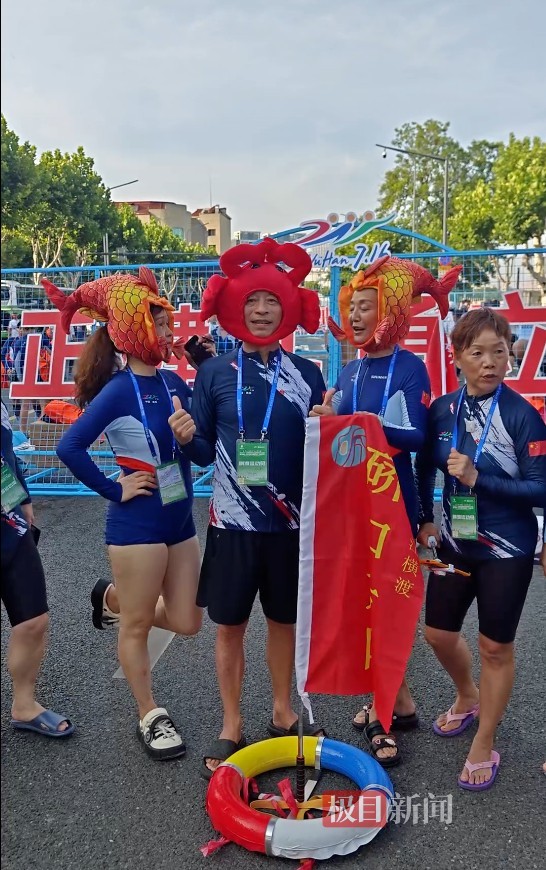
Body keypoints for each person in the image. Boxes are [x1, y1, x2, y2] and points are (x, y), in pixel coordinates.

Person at [168, 237, 326, 778]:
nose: (261, 311)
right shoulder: (215, 373)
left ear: (288, 309)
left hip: (290, 525)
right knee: (229, 626)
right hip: (231, 524)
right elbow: (200, 449)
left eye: (272, 302)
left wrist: (330, 426)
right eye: (252, 301)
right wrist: (185, 436)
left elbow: (323, 452)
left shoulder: (307, 374)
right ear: (237, 307)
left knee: (284, 622)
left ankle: (283, 711)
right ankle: (231, 722)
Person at [45, 266, 209, 761]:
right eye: (159, 324)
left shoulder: (175, 381)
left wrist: (190, 437)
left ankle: (114, 599)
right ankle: (149, 712)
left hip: (179, 517)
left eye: (168, 323)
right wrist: (114, 489)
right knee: (137, 626)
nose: (168, 332)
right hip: (136, 523)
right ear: (135, 329)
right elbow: (70, 447)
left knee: (187, 621)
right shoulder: (117, 390)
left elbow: (201, 453)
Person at [311, 255, 461, 767]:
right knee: (361, 604)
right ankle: (400, 701)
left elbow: (416, 438)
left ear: (391, 313)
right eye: (351, 307)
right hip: (352, 508)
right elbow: (343, 443)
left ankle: (384, 710)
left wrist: (356, 420)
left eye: (366, 307)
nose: (355, 316)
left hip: (394, 504)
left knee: (391, 605)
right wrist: (327, 419)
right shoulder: (350, 369)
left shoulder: (410, 367)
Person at [415, 307, 546, 791]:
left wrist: (477, 478)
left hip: (507, 549)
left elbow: (540, 489)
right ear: (457, 357)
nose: (490, 362)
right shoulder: (442, 410)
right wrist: (424, 519)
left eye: (499, 351)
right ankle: (468, 696)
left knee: (495, 646)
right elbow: (423, 466)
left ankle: (485, 740)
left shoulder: (522, 415)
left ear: (510, 355)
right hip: (453, 542)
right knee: (436, 633)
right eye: (477, 353)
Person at [1, 400, 75, 739]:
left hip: (9, 522)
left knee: (33, 620)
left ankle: (24, 705)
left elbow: (7, 454)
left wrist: (25, 498)